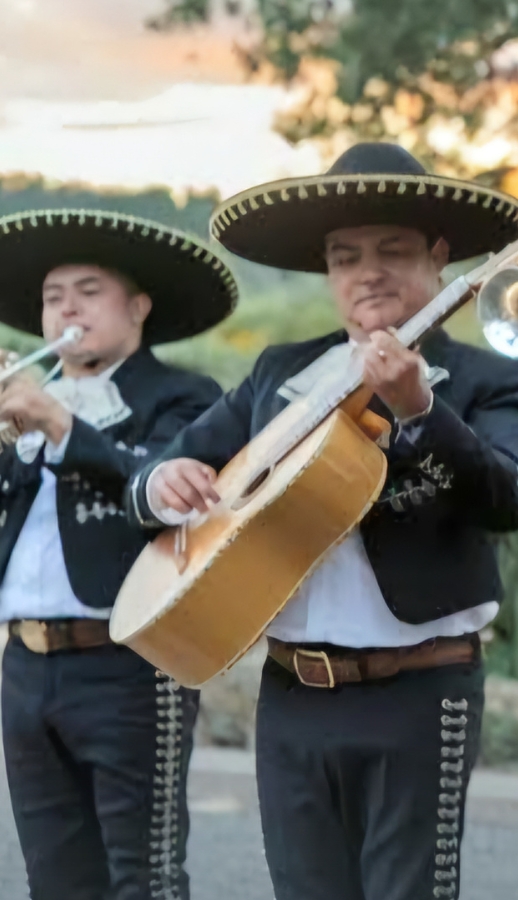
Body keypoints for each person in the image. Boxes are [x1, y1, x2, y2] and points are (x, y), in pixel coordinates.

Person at [125, 143, 518, 900]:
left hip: (422, 691)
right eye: (345, 257)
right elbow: (149, 480)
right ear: (327, 271)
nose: (368, 271)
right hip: (291, 693)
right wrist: (163, 482)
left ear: (440, 257)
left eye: (392, 250)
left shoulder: (492, 377)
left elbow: (505, 500)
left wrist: (421, 408)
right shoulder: (279, 371)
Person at [0, 209, 232, 899]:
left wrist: (58, 425)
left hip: (131, 664)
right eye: (52, 295)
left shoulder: (182, 396)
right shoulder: (25, 405)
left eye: (88, 289)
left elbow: (164, 480)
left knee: (146, 879)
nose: (66, 307)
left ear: (138, 306)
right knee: (55, 879)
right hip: (23, 666)